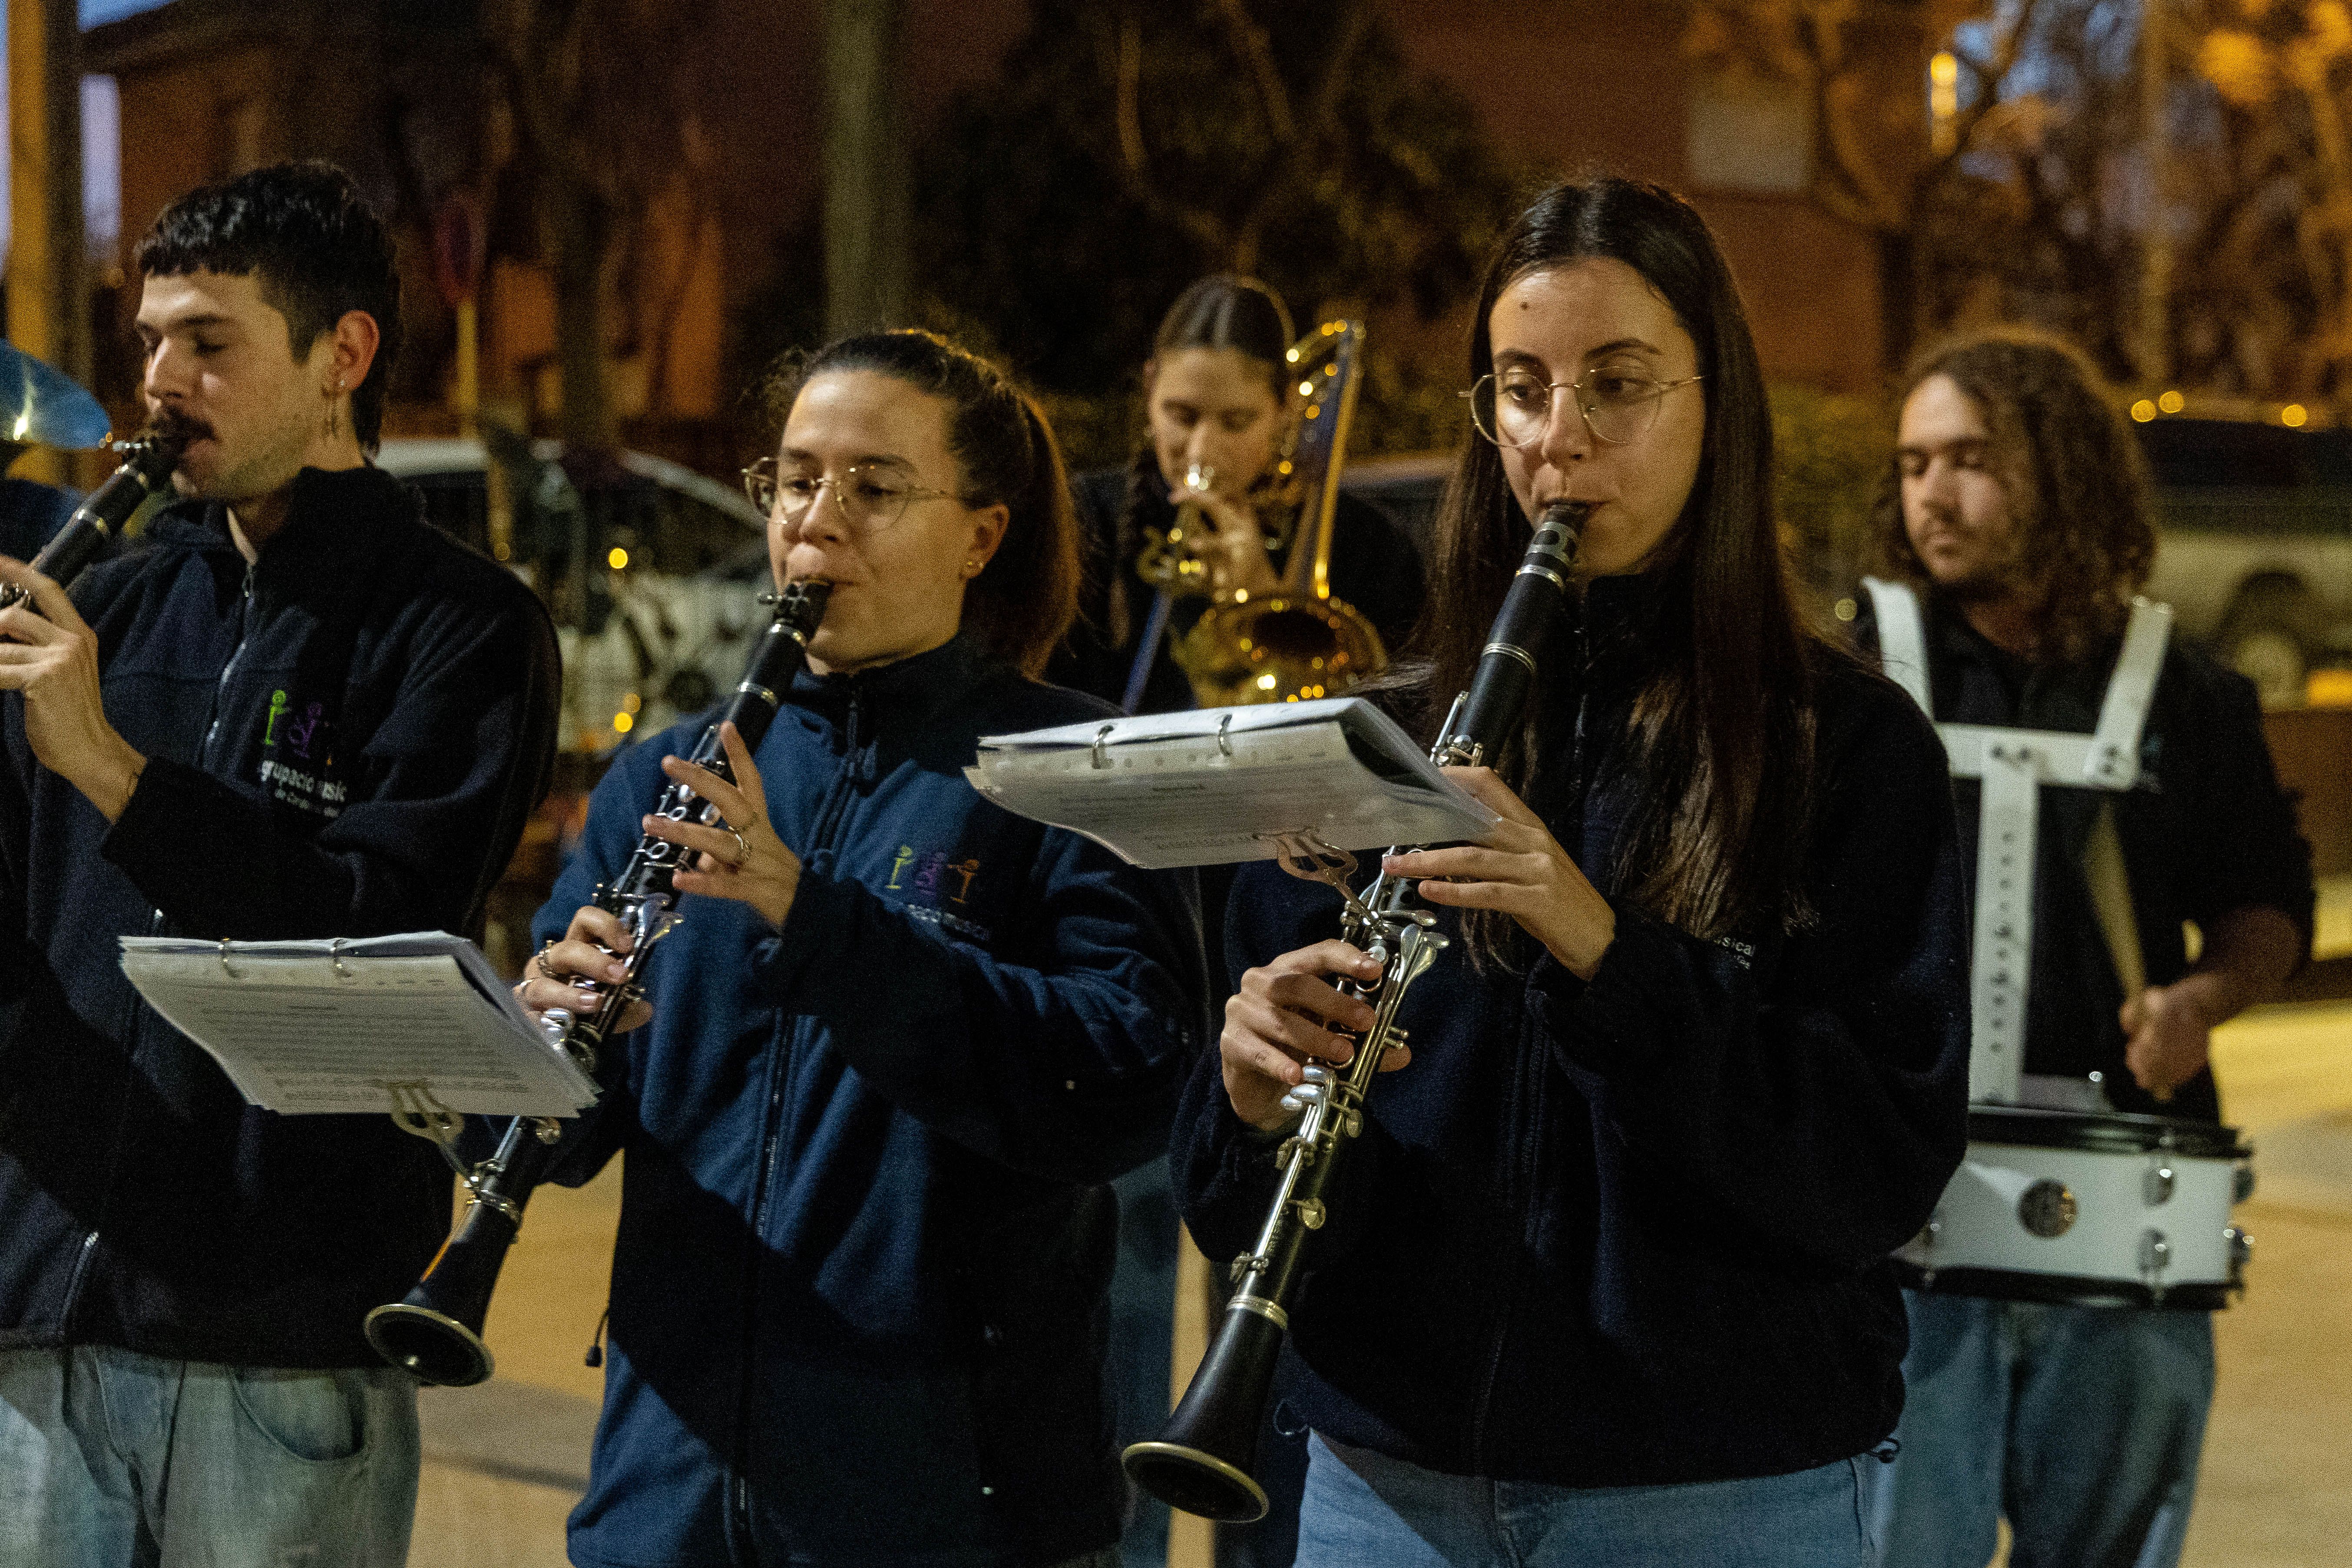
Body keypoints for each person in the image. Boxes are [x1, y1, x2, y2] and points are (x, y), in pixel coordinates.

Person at [1170, 177, 1974, 1568]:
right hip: (1386, 1484)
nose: (1557, 440)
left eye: (1616, 385)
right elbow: (1265, 1190)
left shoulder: (1845, 746)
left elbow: (1871, 1169)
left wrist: (1603, 946)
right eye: (1520, 388)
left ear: (1714, 399)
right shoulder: (1378, 741)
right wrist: (1245, 1103)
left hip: (1712, 1493)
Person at [520, 328, 1208, 1568]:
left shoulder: (1066, 775)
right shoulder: (660, 778)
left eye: (873, 489)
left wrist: (818, 919)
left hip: (949, 1513)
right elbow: (561, 1145)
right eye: (793, 480)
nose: (815, 522)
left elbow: (1121, 1079)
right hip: (666, 1506)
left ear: (980, 535)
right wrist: (534, 1056)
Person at [0, 162, 560, 1567]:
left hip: (279, 1340)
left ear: (342, 358)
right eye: (146, 343)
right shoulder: (109, 598)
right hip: (38, 1323)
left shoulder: (462, 627)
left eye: (209, 343)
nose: (159, 382)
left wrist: (113, 773)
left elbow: (373, 940)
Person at [1856, 329, 2312, 1568]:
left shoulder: (2186, 689)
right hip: (1906, 1225)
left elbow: (2264, 904)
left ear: (2057, 469)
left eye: (1966, 460)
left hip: (2118, 1213)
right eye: (1909, 465)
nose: (1929, 496)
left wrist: (2199, 1002)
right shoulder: (1854, 674)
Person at [1050, 274, 1424, 717]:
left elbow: (1396, 722)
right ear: (1150, 388)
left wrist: (1265, 597)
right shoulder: (1083, 515)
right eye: (1183, 416)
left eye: (1236, 422)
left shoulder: (1373, 547)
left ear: (1286, 407)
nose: (1202, 450)